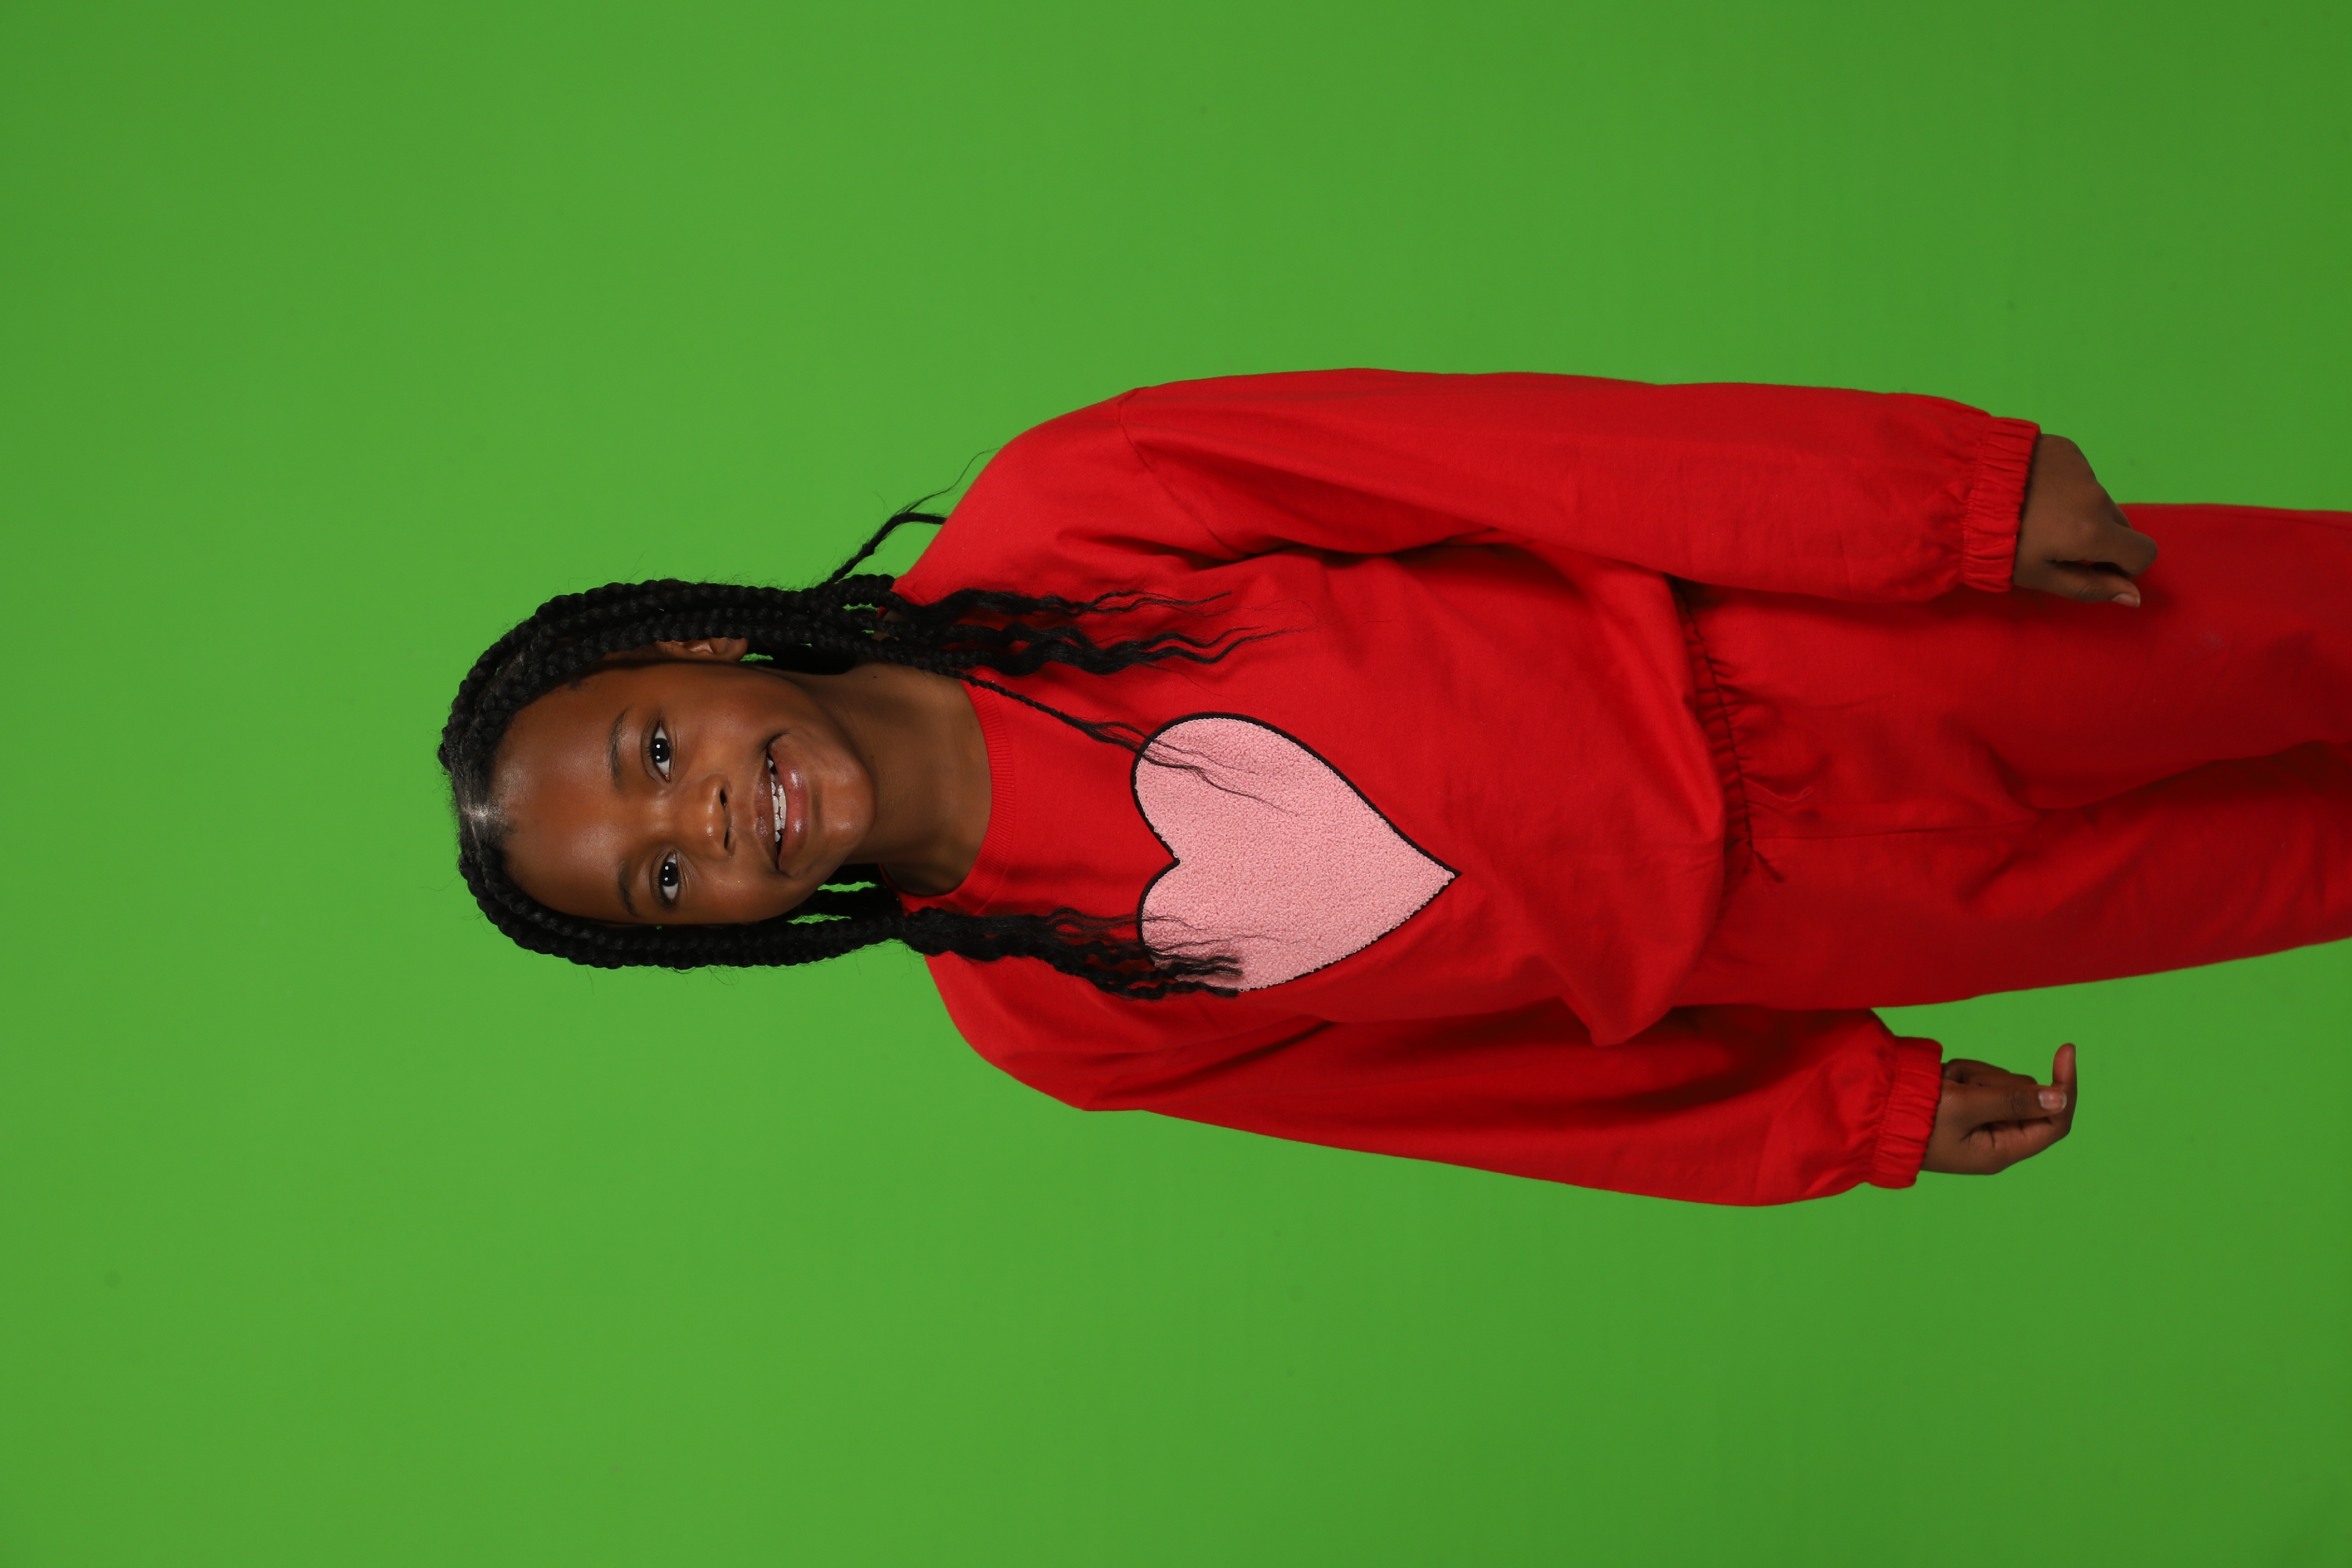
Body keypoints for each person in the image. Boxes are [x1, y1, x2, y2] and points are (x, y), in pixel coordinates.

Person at [438, 370, 2352, 1204]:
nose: (702, 821)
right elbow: (1484, 1095)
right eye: (661, 879)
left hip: (1830, 653)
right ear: (708, 939)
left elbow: (1523, 458)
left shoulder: (1069, 513)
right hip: (1820, 926)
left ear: (698, 647)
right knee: (2304, 866)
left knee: (2310, 634)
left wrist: (1938, 503)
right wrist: (1849, 1113)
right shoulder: (1048, 1019)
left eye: (654, 753)